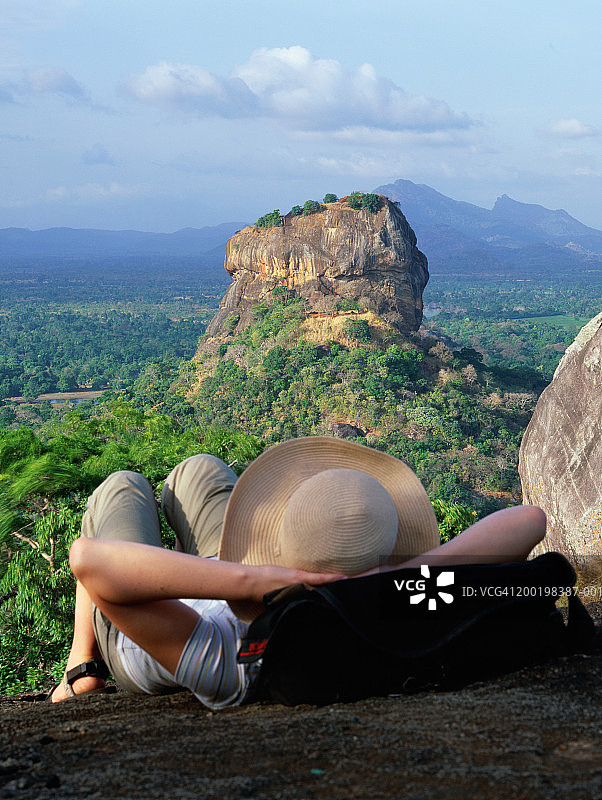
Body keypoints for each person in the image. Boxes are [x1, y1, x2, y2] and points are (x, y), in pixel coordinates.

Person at [49, 436, 547, 705]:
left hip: (153, 614)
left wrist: (254, 579)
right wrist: (386, 577)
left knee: (122, 486)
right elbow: (529, 521)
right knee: (198, 468)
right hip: (271, 575)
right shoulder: (402, 598)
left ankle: (82, 665)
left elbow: (89, 560)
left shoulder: (237, 660)